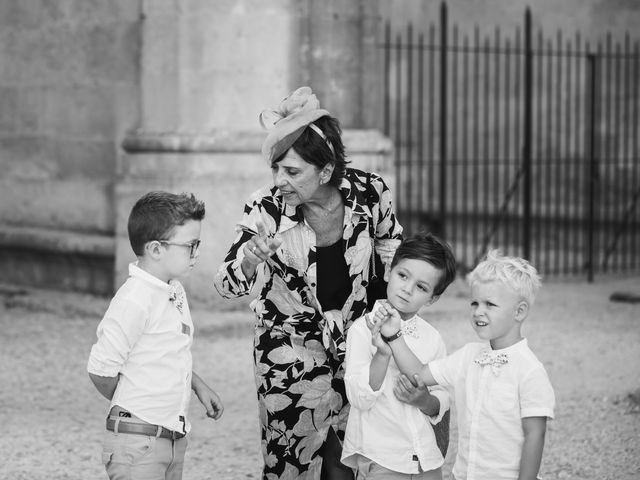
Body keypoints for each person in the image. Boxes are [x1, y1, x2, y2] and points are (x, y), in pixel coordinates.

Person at [214, 86, 403, 479]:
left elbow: (393, 249)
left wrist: (400, 308)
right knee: (292, 464)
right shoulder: (264, 207)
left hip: (359, 343)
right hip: (287, 355)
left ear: (327, 170)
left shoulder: (370, 192)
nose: (280, 180)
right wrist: (249, 262)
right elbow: (226, 284)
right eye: (276, 169)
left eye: (293, 171)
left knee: (354, 457)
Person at [372, 250, 556, 480]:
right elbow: (419, 373)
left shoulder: (530, 371)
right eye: (475, 303)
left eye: (490, 304)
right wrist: (394, 335)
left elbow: (535, 435)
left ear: (519, 311)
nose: (479, 311)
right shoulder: (467, 357)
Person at [87, 191, 224, 480]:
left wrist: (197, 385)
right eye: (191, 245)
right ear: (156, 250)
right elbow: (101, 370)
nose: (197, 253)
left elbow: (165, 351)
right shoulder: (134, 300)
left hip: (172, 438)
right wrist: (134, 399)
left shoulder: (173, 289)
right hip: (137, 440)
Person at [342, 233, 457, 479]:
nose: (407, 289)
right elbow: (359, 398)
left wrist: (423, 401)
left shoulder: (432, 338)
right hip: (382, 456)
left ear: (432, 298)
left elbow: (442, 398)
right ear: (389, 272)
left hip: (426, 456)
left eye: (421, 287)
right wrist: (382, 356)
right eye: (403, 275)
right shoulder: (362, 331)